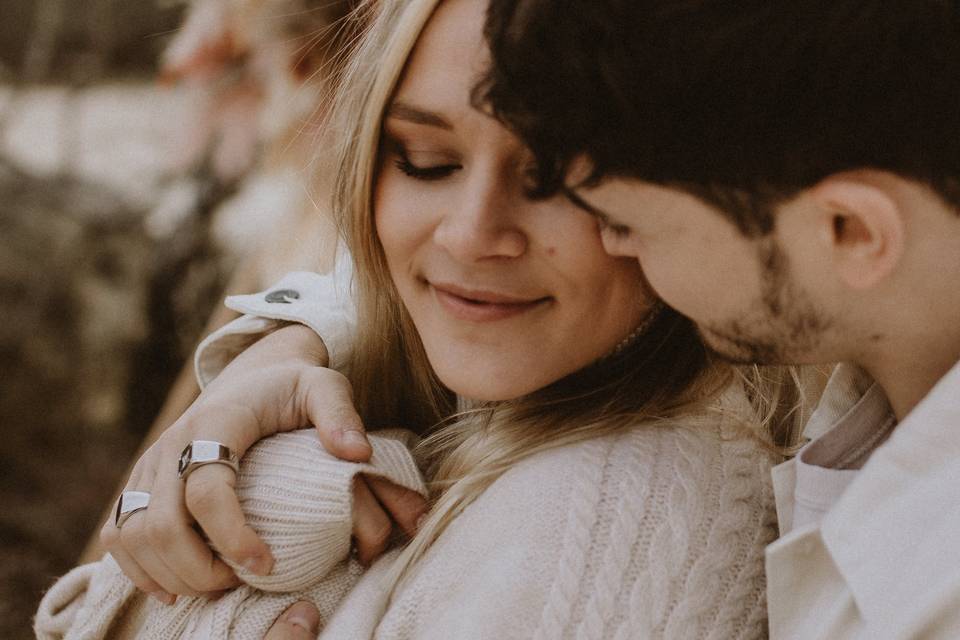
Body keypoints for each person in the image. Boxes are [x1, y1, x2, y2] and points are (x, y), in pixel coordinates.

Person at [36, 0, 803, 638]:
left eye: (554, 177)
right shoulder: (407, 394)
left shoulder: (609, 530)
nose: (471, 234)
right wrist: (284, 354)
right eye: (424, 160)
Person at [468, 1, 960, 638]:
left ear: (851, 231)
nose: (612, 247)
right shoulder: (884, 361)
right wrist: (305, 330)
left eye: (629, 223)